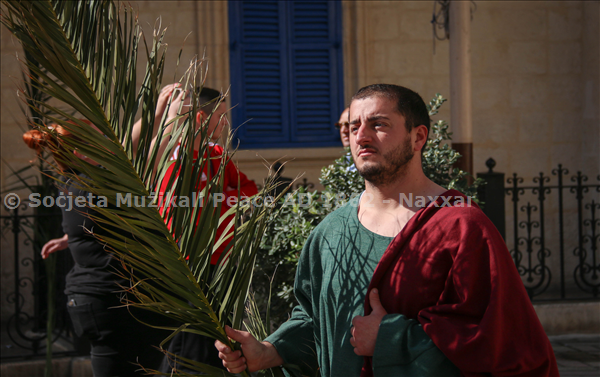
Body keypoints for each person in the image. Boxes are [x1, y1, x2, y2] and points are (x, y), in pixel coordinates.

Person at [215, 84, 559, 377]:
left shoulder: (462, 227)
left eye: (378, 124)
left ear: (418, 136)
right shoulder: (330, 232)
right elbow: (316, 321)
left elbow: (501, 342)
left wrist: (390, 339)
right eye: (352, 127)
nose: (361, 136)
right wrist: (269, 350)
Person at [31, 125, 169, 377]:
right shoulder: (99, 185)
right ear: (81, 152)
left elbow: (88, 223)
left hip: (102, 300)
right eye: (101, 138)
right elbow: (146, 159)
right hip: (111, 302)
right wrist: (168, 120)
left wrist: (69, 238)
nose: (110, 141)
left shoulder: (72, 179)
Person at [153, 85, 258, 373]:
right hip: (187, 271)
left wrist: (220, 202)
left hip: (218, 266)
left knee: (214, 352)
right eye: (221, 116)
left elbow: (246, 189)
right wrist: (221, 204)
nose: (226, 124)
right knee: (188, 355)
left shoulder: (216, 154)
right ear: (200, 118)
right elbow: (176, 210)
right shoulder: (176, 157)